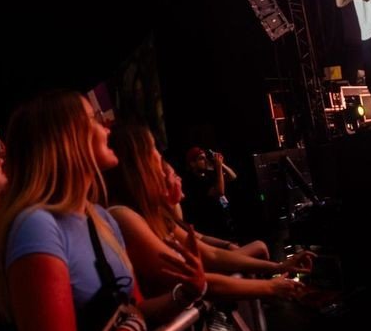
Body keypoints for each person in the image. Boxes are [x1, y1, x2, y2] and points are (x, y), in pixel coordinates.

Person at [0, 90, 205, 331]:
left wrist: (185, 294)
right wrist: (135, 327)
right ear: (66, 137)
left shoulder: (100, 218)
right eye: (95, 119)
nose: (107, 126)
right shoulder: (37, 227)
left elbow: (134, 306)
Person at [105, 124, 307, 302]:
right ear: (137, 163)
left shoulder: (152, 214)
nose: (159, 156)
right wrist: (270, 287)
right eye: (152, 149)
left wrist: (278, 267)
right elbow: (191, 278)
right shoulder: (124, 215)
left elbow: (210, 254)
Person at [181, 146, 236, 238]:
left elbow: (233, 176)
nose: (205, 161)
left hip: (223, 222)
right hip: (211, 227)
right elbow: (219, 192)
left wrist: (220, 164)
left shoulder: (206, 174)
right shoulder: (192, 181)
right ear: (192, 163)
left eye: (205, 158)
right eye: (201, 159)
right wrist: (218, 168)